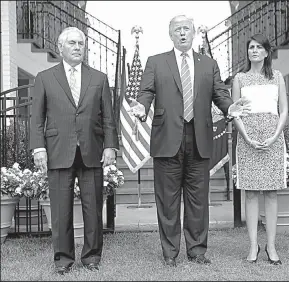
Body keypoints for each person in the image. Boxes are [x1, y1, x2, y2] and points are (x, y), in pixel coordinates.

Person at [129, 15, 250, 267]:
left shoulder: (208, 63)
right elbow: (146, 92)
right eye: (177, 30)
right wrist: (141, 108)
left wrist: (230, 107)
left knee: (197, 199)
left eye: (186, 29)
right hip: (167, 139)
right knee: (168, 200)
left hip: (199, 138)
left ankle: (197, 250)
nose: (182, 33)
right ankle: (170, 253)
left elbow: (219, 94)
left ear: (193, 33)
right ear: (170, 34)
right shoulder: (156, 62)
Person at [30, 27, 119, 274]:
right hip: (58, 151)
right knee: (60, 209)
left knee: (93, 209)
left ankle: (91, 258)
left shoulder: (99, 78)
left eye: (81, 43)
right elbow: (36, 118)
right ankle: (63, 260)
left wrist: (110, 145)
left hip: (92, 151)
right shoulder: (45, 78)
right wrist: (38, 148)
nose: (78, 47)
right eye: (72, 43)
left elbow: (108, 117)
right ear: (60, 48)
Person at [232, 33, 288, 264]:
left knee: (271, 192)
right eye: (251, 47)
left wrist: (275, 136)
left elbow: (284, 110)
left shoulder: (277, 76)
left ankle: (271, 247)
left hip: (273, 139)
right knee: (252, 192)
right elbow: (235, 112)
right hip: (248, 140)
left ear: (266, 52)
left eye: (258, 47)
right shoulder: (239, 78)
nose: (253, 51)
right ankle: (254, 246)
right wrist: (246, 137)